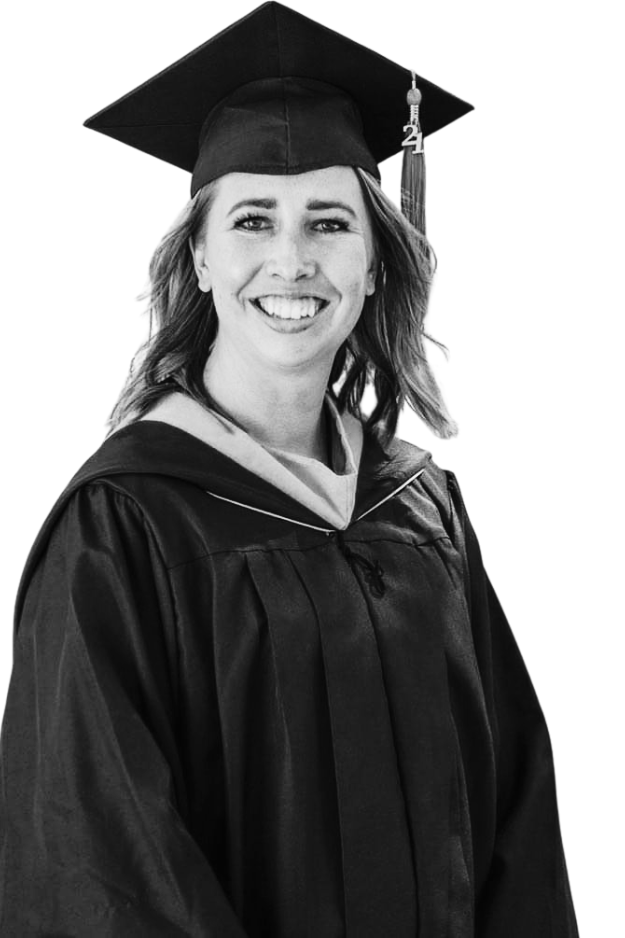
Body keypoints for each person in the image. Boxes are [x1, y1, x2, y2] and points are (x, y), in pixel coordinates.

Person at [0, 2, 579, 935]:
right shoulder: (125, 526)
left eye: (328, 223)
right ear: (198, 255)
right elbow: (100, 864)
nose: (291, 259)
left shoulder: (421, 509)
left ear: (375, 261)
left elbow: (515, 820)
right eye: (252, 220)